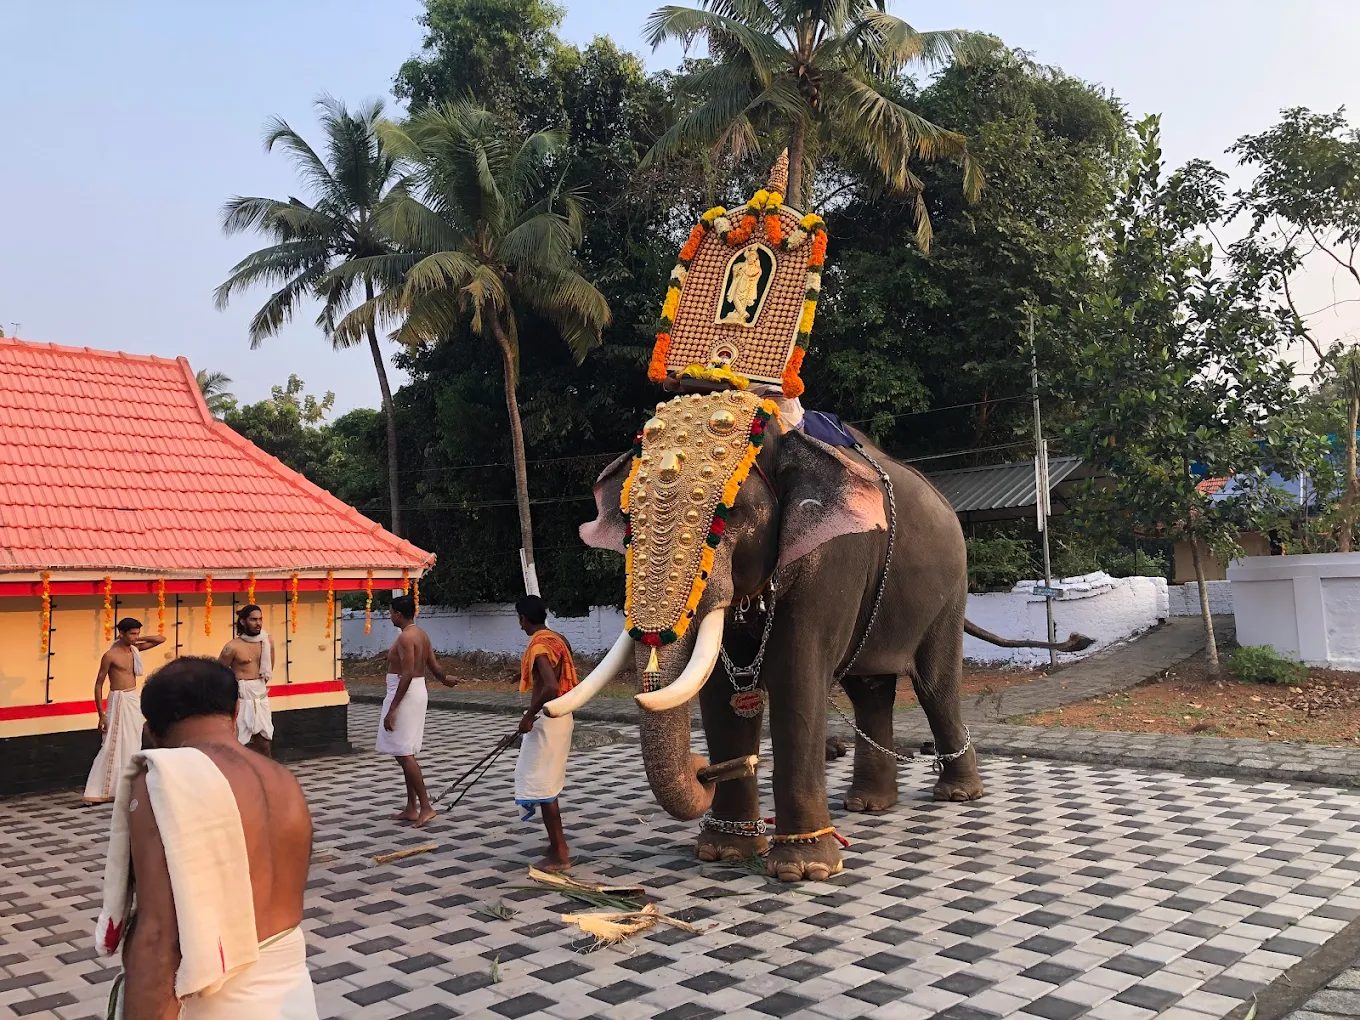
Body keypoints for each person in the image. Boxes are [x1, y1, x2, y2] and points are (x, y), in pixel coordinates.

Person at [95, 656, 317, 1018]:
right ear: (236, 712)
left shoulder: (166, 780)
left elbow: (158, 938)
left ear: (151, 732)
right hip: (292, 998)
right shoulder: (282, 779)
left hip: (216, 1006)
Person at [379, 594, 455, 827]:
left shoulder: (406, 637)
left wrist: (392, 709)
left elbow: (408, 673)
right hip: (415, 690)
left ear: (398, 614)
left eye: (391, 612)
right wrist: (445, 679)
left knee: (404, 753)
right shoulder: (421, 634)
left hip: (405, 692)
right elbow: (434, 666)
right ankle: (412, 806)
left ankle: (425, 806)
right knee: (402, 751)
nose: (390, 616)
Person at [514, 595, 578, 872]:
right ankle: (555, 846)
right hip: (562, 716)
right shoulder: (558, 639)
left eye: (519, 620)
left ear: (523, 619)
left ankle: (560, 853)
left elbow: (551, 686)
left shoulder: (539, 645)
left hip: (548, 719)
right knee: (545, 783)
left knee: (543, 786)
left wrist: (529, 715)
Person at [83, 618, 166, 805]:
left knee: (133, 742)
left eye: (137, 633)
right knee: (111, 744)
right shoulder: (110, 655)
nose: (136, 637)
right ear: (121, 633)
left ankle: (124, 787)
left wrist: (137, 639)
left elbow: (161, 639)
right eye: (132, 633)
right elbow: (98, 684)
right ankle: (99, 790)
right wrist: (101, 715)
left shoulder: (135, 649)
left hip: (132, 698)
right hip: (118, 700)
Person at [218, 605, 276, 757]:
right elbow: (219, 673)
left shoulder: (267, 641)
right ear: (243, 622)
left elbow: (269, 668)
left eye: (260, 619)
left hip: (260, 695)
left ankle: (266, 770)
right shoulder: (232, 647)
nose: (258, 623)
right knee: (237, 742)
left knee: (264, 742)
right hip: (241, 697)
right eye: (253, 619)